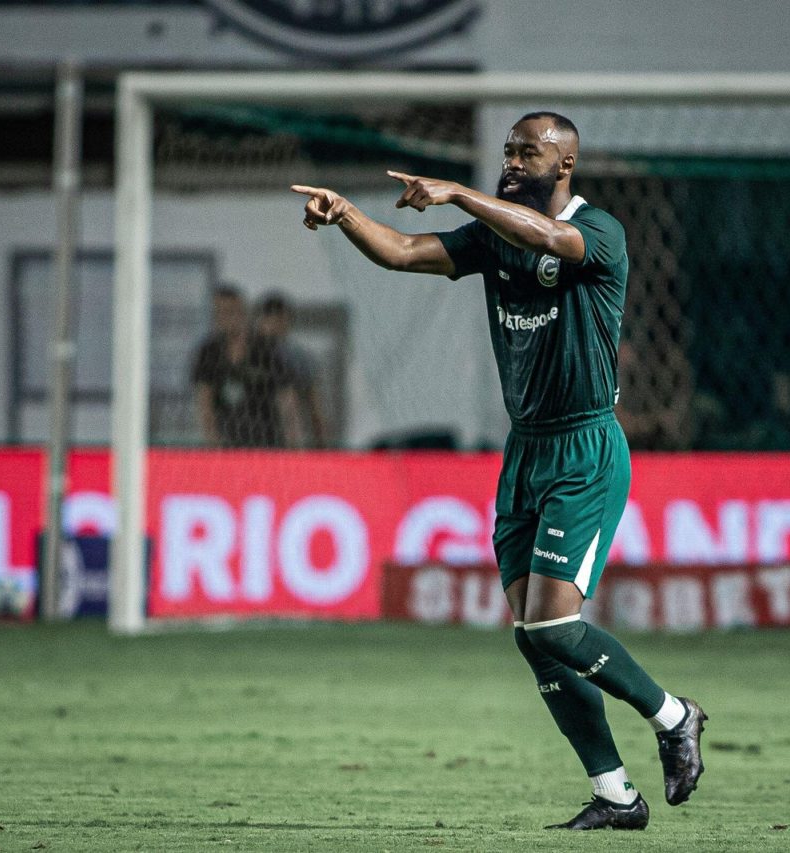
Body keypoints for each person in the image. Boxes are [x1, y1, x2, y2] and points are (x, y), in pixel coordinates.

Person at [291, 112, 706, 831]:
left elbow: (547, 238)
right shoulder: (492, 237)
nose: (511, 160)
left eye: (527, 151)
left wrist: (456, 192)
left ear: (564, 164)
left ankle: (674, 716)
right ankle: (616, 794)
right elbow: (402, 252)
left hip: (584, 450)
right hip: (525, 451)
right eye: (508, 150)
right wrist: (346, 213)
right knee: (531, 630)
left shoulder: (599, 231)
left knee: (553, 623)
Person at [191, 284, 303, 448]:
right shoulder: (209, 352)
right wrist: (214, 446)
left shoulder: (267, 350)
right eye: (218, 313)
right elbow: (204, 403)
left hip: (267, 443)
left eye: (228, 312)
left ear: (242, 312)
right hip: (226, 444)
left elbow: (287, 402)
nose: (222, 318)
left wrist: (294, 446)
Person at [255, 292, 328, 448]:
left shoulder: (298, 357)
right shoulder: (248, 353)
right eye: (271, 319)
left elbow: (314, 402)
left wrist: (321, 441)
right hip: (254, 430)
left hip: (289, 431)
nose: (276, 325)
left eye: (281, 319)